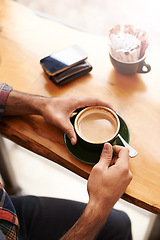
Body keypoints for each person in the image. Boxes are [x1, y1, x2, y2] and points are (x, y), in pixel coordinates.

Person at [0, 82, 133, 240]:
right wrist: (99, 206)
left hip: (5, 209)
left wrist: (43, 104)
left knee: (121, 223)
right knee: (117, 227)